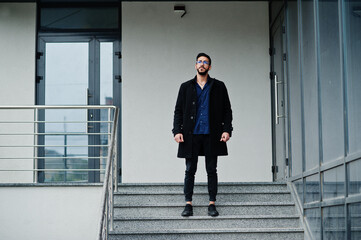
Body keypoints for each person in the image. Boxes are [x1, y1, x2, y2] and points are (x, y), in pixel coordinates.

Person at [172, 53, 233, 217]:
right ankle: (188, 204)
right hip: (191, 134)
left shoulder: (219, 86)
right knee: (190, 169)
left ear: (209, 67)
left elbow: (227, 110)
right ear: (195, 65)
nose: (202, 64)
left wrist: (227, 130)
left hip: (212, 134)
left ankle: (212, 203)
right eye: (199, 61)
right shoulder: (185, 87)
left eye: (205, 62)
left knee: (211, 169)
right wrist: (177, 131)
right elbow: (178, 111)